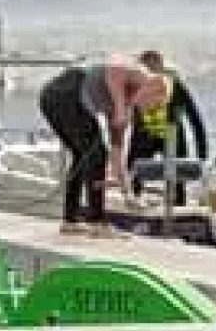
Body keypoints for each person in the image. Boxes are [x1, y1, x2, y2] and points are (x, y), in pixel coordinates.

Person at [37, 56, 171, 237]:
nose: (150, 109)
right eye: (154, 103)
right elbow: (113, 70)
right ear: (154, 88)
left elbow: (117, 154)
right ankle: (97, 222)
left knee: (83, 156)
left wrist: (128, 194)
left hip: (56, 100)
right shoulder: (141, 74)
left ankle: (70, 220)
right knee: (96, 154)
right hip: (65, 90)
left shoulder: (127, 111)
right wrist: (119, 106)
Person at [128, 49, 209, 207]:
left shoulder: (175, 85)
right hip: (144, 136)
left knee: (177, 177)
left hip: (172, 135)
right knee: (134, 172)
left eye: (152, 67)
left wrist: (202, 152)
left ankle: (179, 207)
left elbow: (194, 117)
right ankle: (134, 203)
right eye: (145, 68)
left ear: (161, 66)